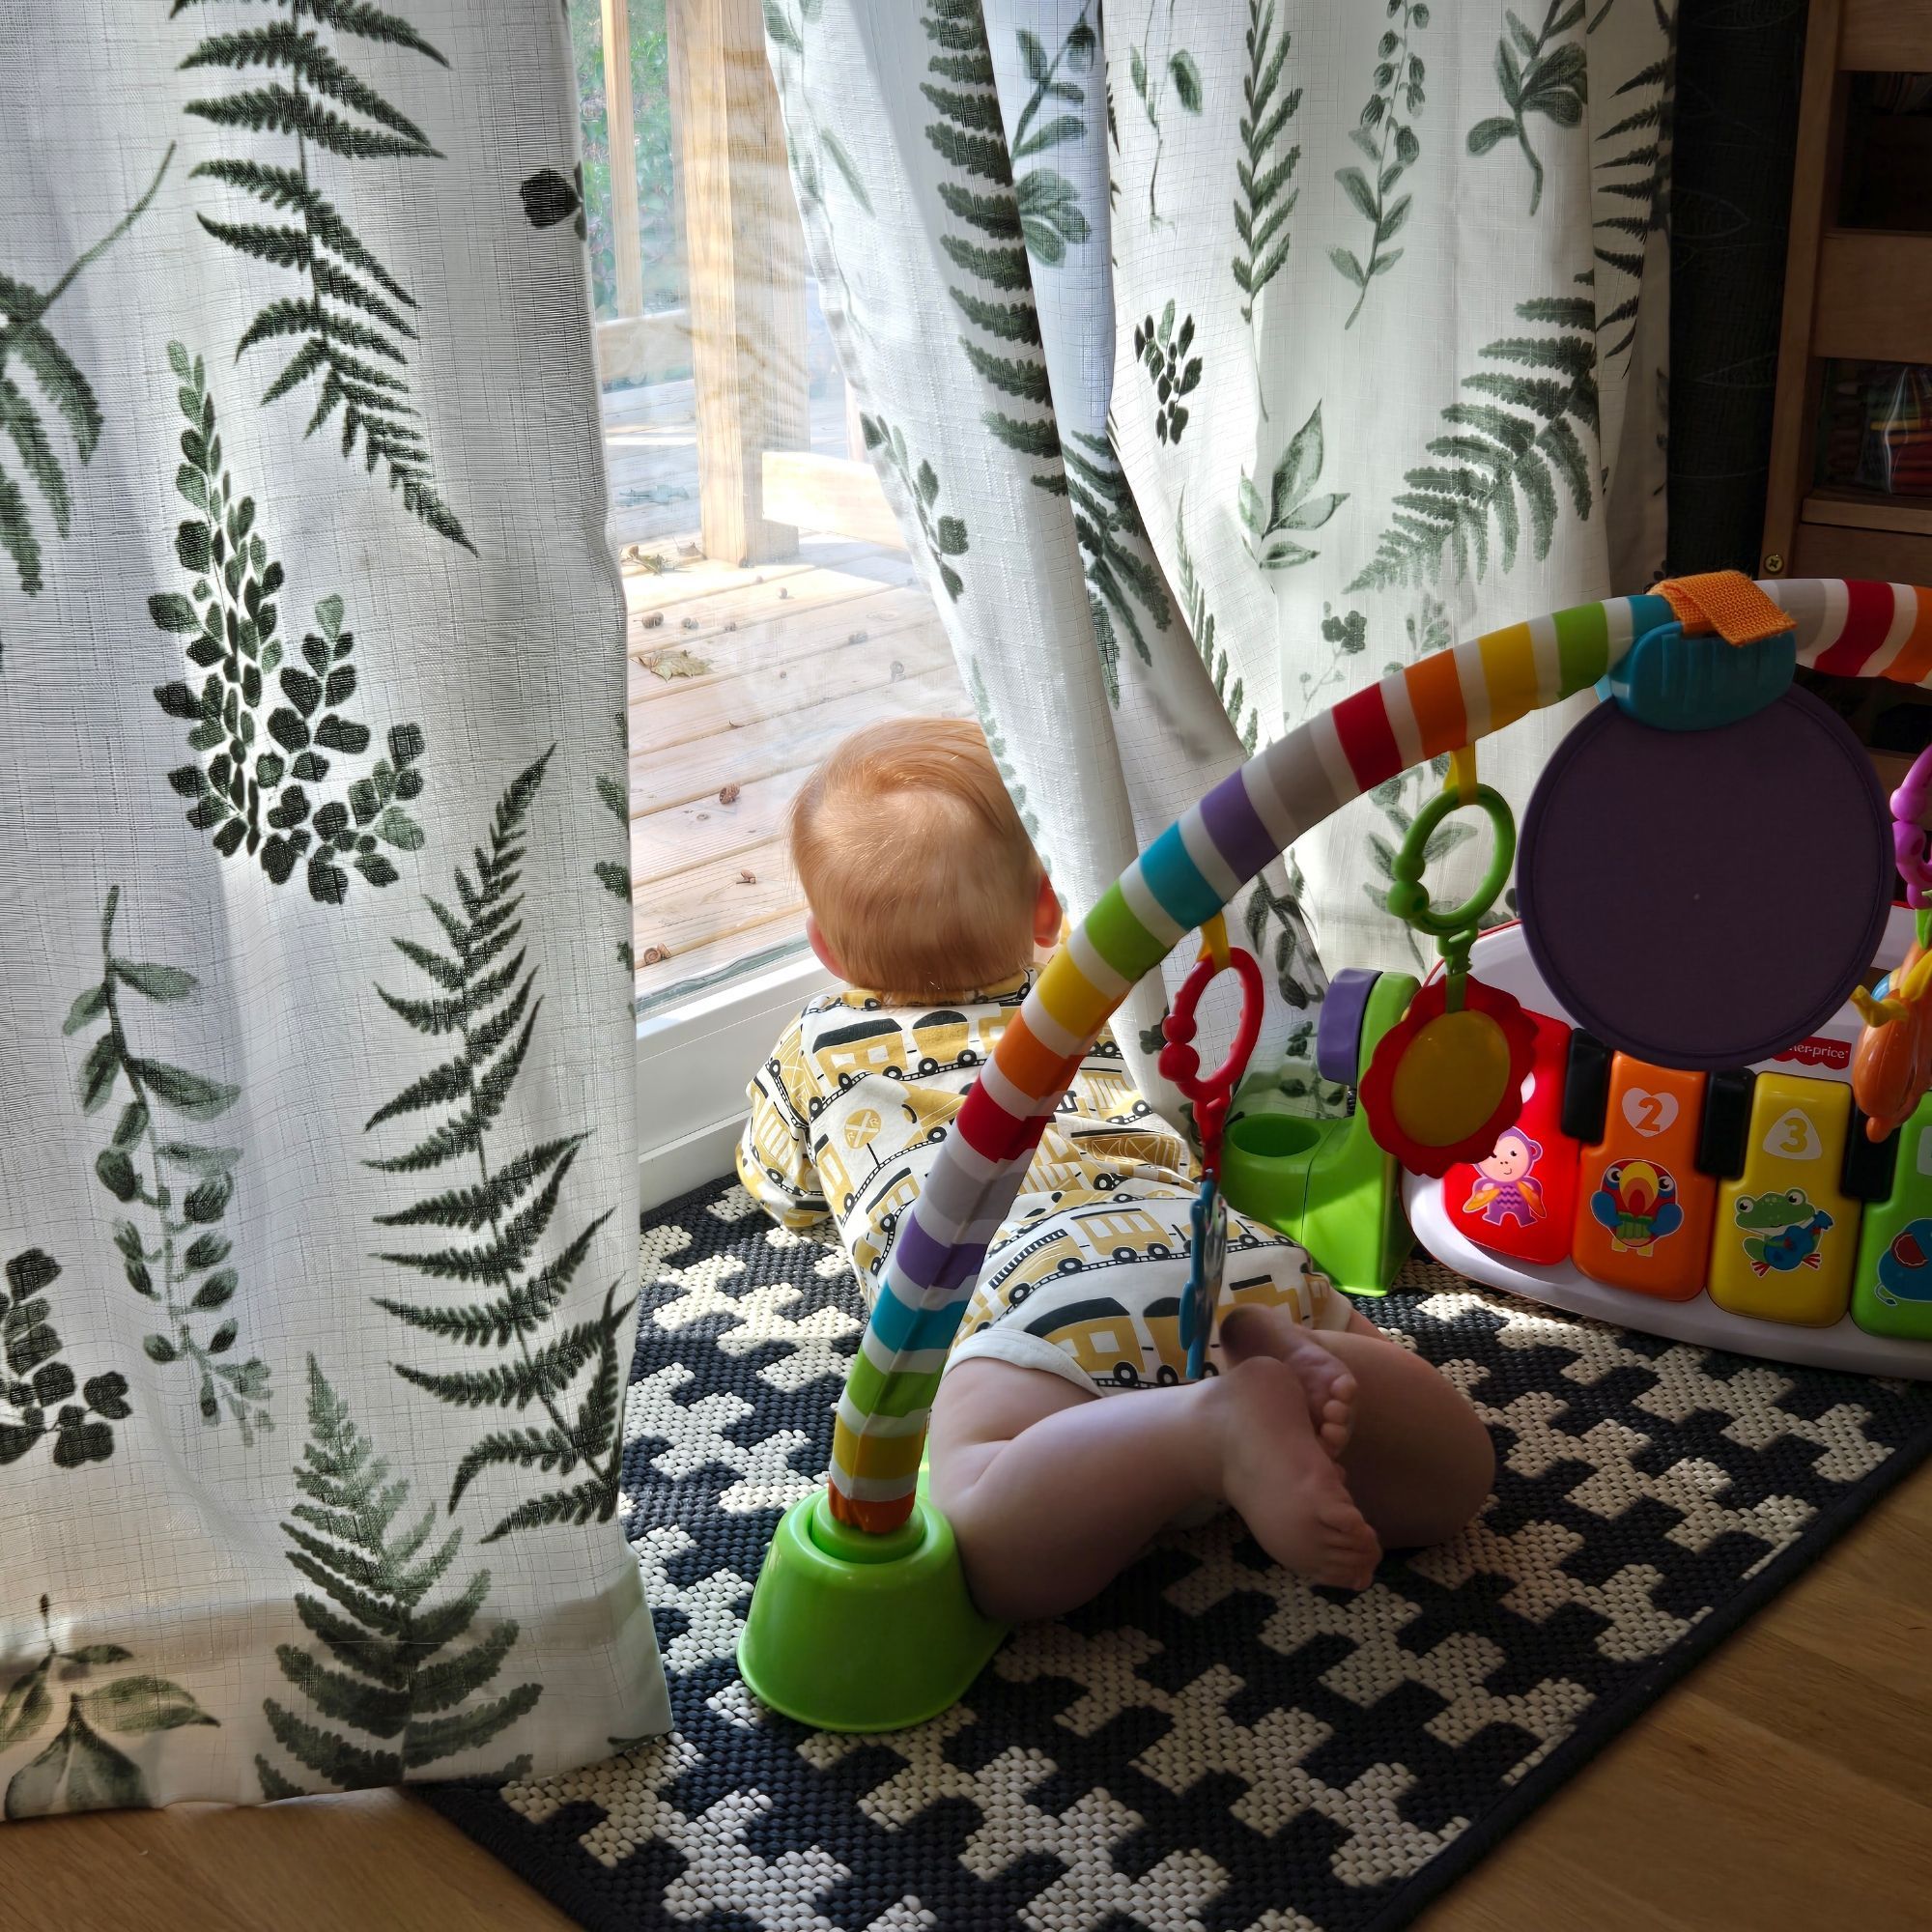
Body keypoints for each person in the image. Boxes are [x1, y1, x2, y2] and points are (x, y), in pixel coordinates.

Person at [737, 718, 1493, 1624]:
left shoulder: (811, 1048)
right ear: (1048, 913)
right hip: (1218, 1254)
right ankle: (1301, 1357)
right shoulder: (1080, 1005)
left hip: (1033, 1289)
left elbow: (778, 1190)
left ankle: (1207, 1432)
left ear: (825, 948)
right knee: (1449, 1486)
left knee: (981, 1545)